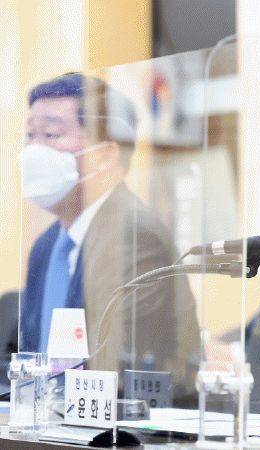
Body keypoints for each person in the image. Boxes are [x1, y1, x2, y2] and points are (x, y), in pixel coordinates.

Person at [16, 73, 201, 404]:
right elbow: (27, 356)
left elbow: (117, 368)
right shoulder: (47, 245)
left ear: (105, 154)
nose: (32, 150)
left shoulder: (135, 236)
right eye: (30, 135)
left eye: (51, 135)